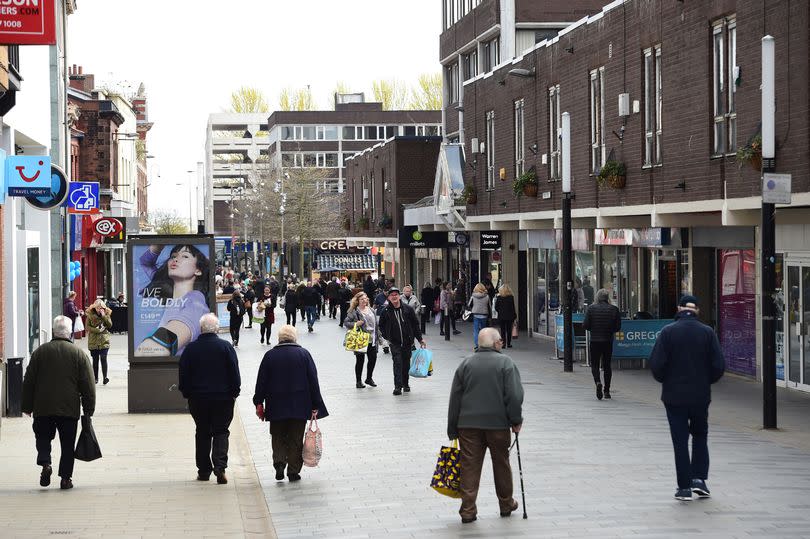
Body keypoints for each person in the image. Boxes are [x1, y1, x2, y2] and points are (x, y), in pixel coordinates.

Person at [650, 295, 725, 501]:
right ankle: (699, 479)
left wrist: (667, 380)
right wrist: (705, 381)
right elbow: (719, 365)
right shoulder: (708, 333)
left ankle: (684, 487)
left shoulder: (667, 332)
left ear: (679, 308)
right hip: (700, 395)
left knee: (680, 441)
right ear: (697, 311)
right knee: (700, 435)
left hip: (674, 396)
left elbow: (656, 365)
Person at [447, 327, 524, 524]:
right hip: (497, 424)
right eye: (500, 341)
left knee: (469, 466)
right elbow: (514, 396)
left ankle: (468, 510)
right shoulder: (506, 363)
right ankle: (506, 503)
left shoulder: (466, 364)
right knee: (501, 463)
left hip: (468, 425)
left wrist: (452, 428)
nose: (502, 344)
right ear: (495, 343)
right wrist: (516, 420)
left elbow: (455, 397)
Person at [21, 316, 95, 490]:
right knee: (67, 444)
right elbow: (88, 384)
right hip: (69, 408)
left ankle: (45, 462)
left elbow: (29, 380)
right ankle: (65, 479)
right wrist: (89, 409)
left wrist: (26, 406)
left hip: (43, 406)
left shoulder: (40, 352)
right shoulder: (78, 354)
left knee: (43, 437)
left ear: (54, 331)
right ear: (69, 333)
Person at [253, 325, 329, 482]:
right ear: (294, 337)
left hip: (276, 404)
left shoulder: (270, 356)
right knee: (296, 437)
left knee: (278, 435)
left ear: (279, 338)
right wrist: (316, 403)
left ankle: (279, 463)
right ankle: (293, 471)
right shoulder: (303, 354)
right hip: (299, 404)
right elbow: (313, 381)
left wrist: (258, 401)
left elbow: (261, 381)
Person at [178, 313, 241, 485]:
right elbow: (234, 372)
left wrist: (187, 393)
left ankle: (204, 470)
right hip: (223, 398)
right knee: (221, 431)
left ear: (200, 329)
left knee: (202, 431)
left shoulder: (191, 349)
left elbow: (183, 375)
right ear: (217, 329)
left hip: (198, 398)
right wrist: (235, 392)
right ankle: (220, 466)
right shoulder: (226, 347)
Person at [135, 244, 211, 356]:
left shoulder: (195, 301)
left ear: (198, 270)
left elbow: (151, 350)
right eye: (173, 256)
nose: (176, 259)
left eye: (185, 256)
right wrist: (159, 244)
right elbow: (145, 262)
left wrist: (149, 350)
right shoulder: (170, 293)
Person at [379, 287, 425, 396]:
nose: (394, 297)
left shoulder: (408, 309)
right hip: (394, 343)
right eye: (392, 295)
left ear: (399, 296)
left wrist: (420, 339)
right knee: (397, 363)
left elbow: (415, 325)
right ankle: (397, 387)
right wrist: (387, 337)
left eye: (396, 294)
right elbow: (381, 325)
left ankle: (406, 383)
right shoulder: (385, 311)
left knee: (405, 364)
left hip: (407, 341)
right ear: (389, 298)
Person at [582, 288, 622, 400]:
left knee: (594, 364)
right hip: (608, 341)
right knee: (607, 365)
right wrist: (609, 330)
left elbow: (585, 325)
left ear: (597, 297)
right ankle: (607, 391)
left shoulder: (591, 309)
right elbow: (618, 327)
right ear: (607, 297)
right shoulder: (614, 309)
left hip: (595, 340)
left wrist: (593, 328)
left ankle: (598, 382)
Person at [343, 292, 379, 388]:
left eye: (365, 298)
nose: (364, 300)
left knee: (373, 359)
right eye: (362, 299)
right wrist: (356, 324)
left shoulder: (371, 310)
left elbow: (376, 325)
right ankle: (358, 381)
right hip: (361, 338)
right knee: (360, 360)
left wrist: (380, 337)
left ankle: (369, 378)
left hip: (372, 339)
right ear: (357, 301)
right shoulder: (354, 311)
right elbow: (346, 323)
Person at [86, 299, 113, 384]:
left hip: (104, 340)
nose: (99, 309)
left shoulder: (107, 314)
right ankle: (95, 378)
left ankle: (105, 377)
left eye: (101, 308)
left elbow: (110, 325)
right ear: (94, 308)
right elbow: (87, 327)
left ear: (104, 308)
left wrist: (104, 316)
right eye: (98, 308)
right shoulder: (90, 315)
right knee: (95, 360)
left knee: (103, 358)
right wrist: (97, 330)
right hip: (93, 340)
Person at [467, 283, 492, 350]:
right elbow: (489, 306)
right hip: (484, 314)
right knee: (483, 330)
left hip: (476, 314)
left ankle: (477, 344)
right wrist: (490, 316)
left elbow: (469, 305)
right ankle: (483, 344)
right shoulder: (487, 296)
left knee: (476, 330)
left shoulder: (473, 296)